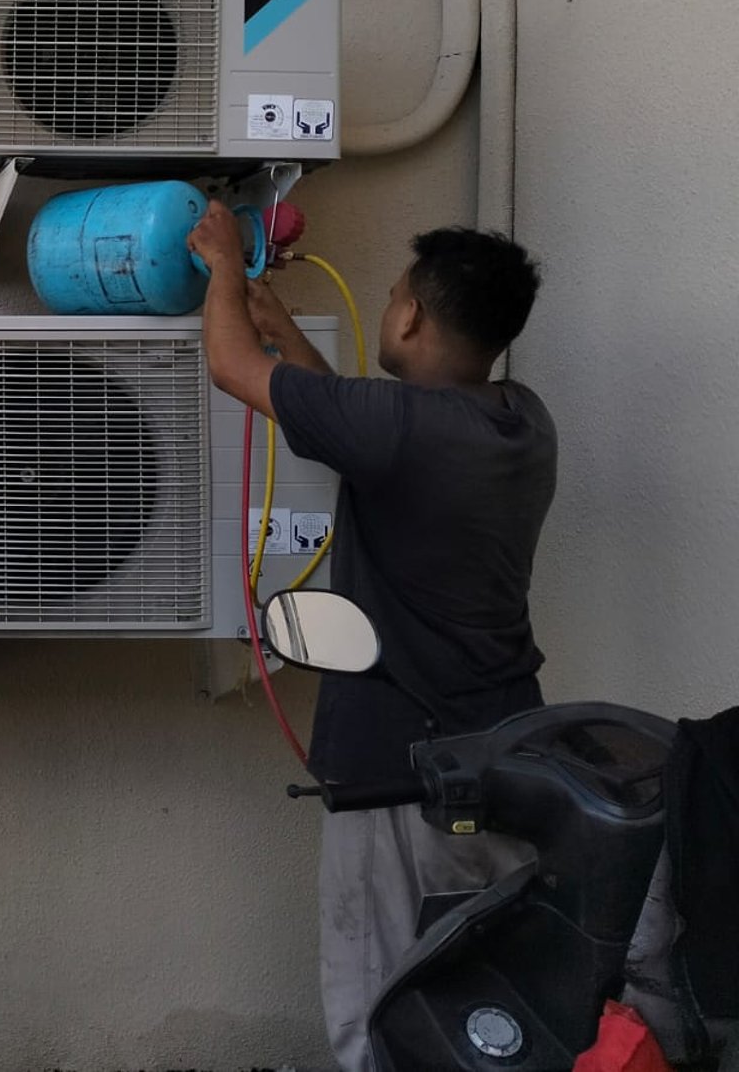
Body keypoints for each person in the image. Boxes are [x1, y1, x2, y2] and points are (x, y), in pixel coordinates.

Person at [188, 203, 556, 1072]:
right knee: (481, 1004)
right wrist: (286, 335)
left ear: (411, 317)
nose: (387, 305)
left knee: (374, 1006)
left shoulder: (403, 428)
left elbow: (230, 366)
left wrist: (224, 268)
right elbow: (360, 433)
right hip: (506, 755)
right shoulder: (522, 419)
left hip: (401, 770)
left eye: (393, 294)